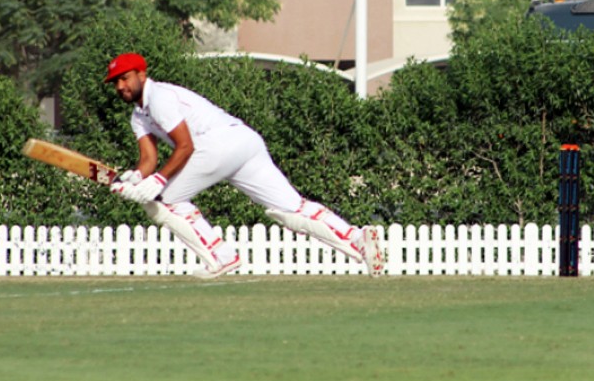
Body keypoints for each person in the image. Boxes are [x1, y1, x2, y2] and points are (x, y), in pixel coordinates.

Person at [104, 52, 384, 278]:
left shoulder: (160, 98)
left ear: (142, 74)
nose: (120, 87)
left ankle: (220, 257)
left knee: (163, 202)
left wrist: (157, 182)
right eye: (115, 82)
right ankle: (358, 239)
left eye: (125, 78)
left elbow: (185, 146)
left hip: (216, 145)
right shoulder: (138, 116)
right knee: (290, 209)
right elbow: (148, 160)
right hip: (245, 141)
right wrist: (135, 178)